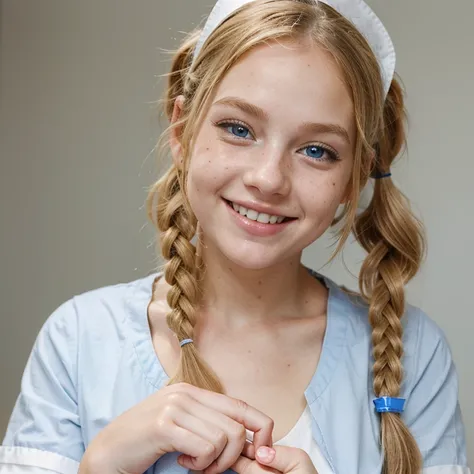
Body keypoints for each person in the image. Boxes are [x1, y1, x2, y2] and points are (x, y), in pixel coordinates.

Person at [0, 0, 470, 473]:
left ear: (355, 176)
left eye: (316, 150)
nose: (269, 179)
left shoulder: (416, 355)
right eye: (239, 129)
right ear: (181, 129)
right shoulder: (80, 340)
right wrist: (100, 466)